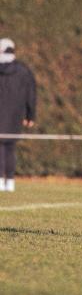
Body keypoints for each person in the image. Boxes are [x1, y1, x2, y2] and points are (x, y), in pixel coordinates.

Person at [0, 38, 37, 192]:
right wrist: (30, 116)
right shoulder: (24, 70)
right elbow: (31, 95)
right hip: (16, 115)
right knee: (10, 147)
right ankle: (10, 181)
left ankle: (1, 181)